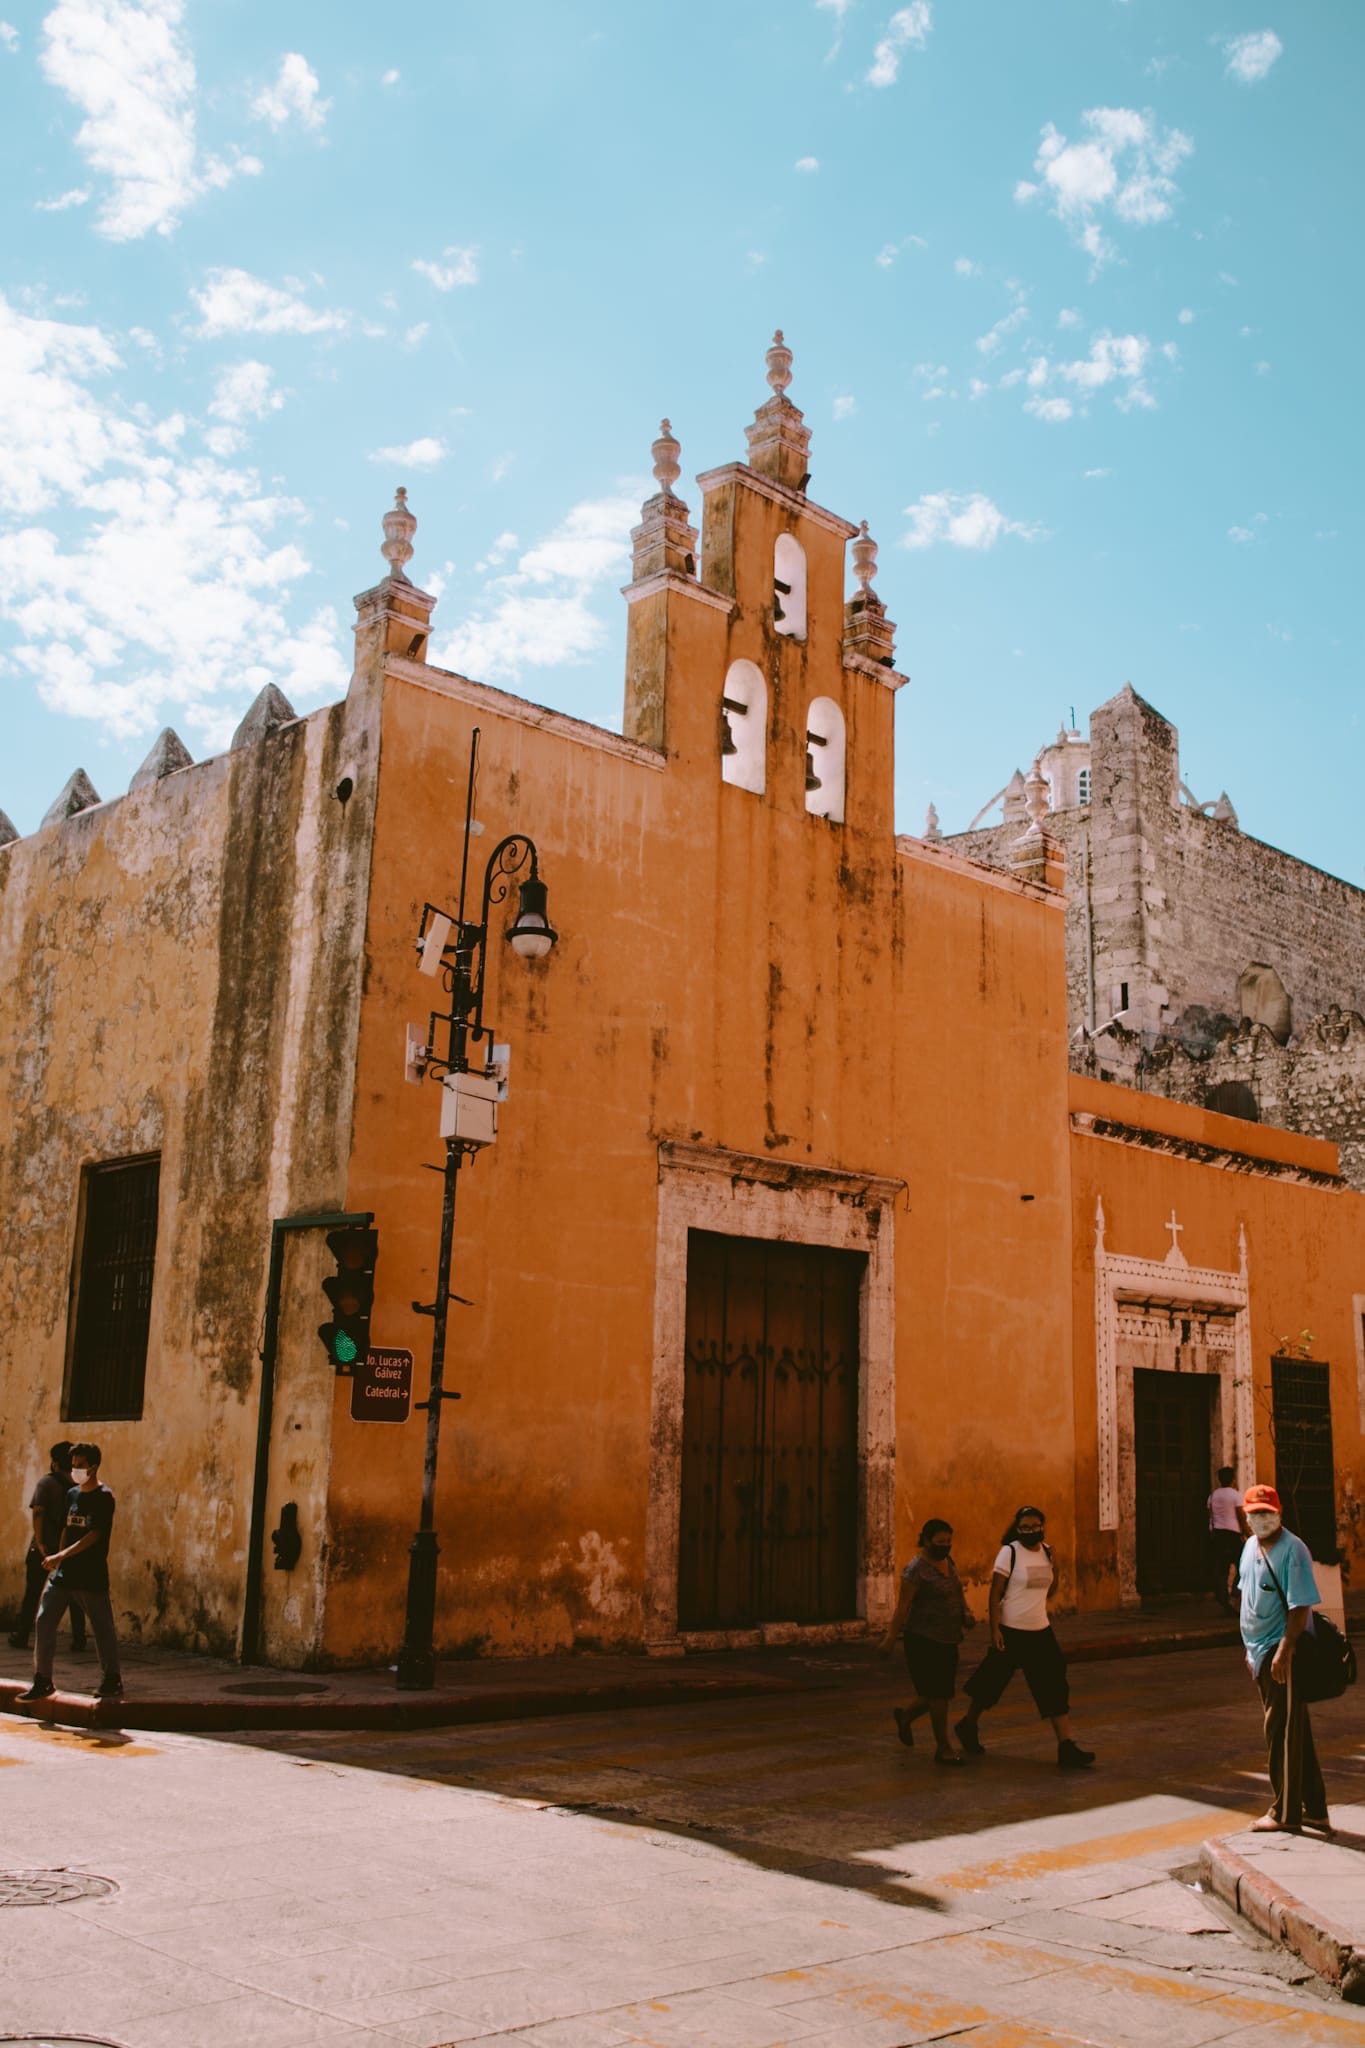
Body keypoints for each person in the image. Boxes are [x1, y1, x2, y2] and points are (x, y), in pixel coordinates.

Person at [955, 1505, 1096, 1769]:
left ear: (1042, 1526)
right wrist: (995, 1630)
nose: (1031, 1531)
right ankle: (968, 1724)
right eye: (1025, 1527)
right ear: (1017, 1529)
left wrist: (1058, 1564)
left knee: (1053, 1684)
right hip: (1011, 1630)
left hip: (1040, 1630)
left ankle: (1066, 1746)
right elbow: (995, 1592)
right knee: (991, 1684)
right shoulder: (1009, 1552)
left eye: (1035, 1526)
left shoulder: (1046, 1551)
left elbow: (1051, 1591)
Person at [1237, 1482, 1330, 1836]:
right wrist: (1250, 1650)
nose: (1261, 1519)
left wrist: (1284, 1650)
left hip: (1282, 1653)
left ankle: (1285, 1811)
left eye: (1267, 1513)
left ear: (1279, 1514)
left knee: (1280, 1732)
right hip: (1260, 1652)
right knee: (1294, 1730)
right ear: (1246, 1518)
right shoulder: (1249, 1548)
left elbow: (1300, 1604)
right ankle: (1316, 1809)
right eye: (1254, 1514)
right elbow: (1247, 1597)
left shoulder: (1294, 1550)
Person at [17, 1443, 122, 1705]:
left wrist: (60, 1556)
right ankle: (43, 1679)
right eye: (73, 1464)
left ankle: (112, 1679)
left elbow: (94, 1535)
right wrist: (58, 1560)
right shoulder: (72, 1494)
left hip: (90, 1575)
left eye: (80, 1465)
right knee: (44, 1620)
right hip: (64, 1575)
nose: (75, 1469)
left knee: (101, 1628)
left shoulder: (103, 1497)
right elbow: (67, 1528)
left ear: (94, 1467)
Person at [879, 1518, 975, 1766]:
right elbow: (903, 1607)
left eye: (948, 1541)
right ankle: (943, 1748)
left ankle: (905, 1716)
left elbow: (957, 1591)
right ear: (926, 1540)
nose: (945, 1546)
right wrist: (890, 1638)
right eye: (940, 1541)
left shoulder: (948, 1561)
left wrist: (965, 1612)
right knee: (938, 1694)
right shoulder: (915, 1570)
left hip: (949, 1637)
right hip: (923, 1640)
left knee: (936, 1694)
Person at [8, 1441, 87, 1653]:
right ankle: (79, 1637)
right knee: (74, 1595)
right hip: (70, 1548)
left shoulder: (47, 1483)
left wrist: (40, 1542)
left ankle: (23, 1633)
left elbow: (39, 1512)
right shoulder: (78, 1486)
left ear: (54, 1463)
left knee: (33, 1592)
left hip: (46, 1546)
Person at [1208, 1466, 1246, 1611]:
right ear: (1233, 1479)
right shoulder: (1235, 1495)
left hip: (1218, 1534)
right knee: (1243, 1567)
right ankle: (1235, 1593)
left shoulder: (1213, 1496)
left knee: (1221, 1569)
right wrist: (1248, 1533)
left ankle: (1223, 1599)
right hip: (1233, 1534)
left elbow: (1211, 1515)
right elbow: (1241, 1517)